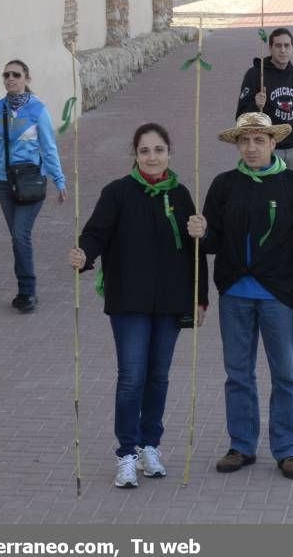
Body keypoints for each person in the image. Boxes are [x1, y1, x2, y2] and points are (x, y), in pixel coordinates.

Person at [68, 123, 208, 489]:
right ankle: (127, 452)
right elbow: (96, 233)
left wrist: (200, 297)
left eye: (158, 150)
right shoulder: (117, 193)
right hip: (129, 299)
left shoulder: (180, 194)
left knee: (158, 377)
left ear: (169, 153)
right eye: (145, 150)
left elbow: (196, 251)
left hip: (170, 300)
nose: (152, 157)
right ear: (135, 154)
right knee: (131, 378)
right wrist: (84, 255)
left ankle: (151, 445)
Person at [187, 112, 293, 480]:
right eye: (244, 141)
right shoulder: (224, 185)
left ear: (273, 143)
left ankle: (288, 449)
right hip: (234, 295)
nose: (251, 147)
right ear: (237, 144)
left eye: (258, 140)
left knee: (285, 374)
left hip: (280, 297)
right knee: (238, 374)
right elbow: (213, 243)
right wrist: (200, 233)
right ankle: (242, 445)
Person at [0, 59, 67, 313]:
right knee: (17, 238)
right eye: (6, 75)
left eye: (16, 74)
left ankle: (28, 291)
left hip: (31, 182)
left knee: (19, 234)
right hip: (4, 183)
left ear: (27, 78)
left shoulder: (38, 111)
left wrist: (59, 180)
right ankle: (23, 290)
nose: (10, 79)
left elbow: (49, 147)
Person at [236, 27, 293, 175]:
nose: (283, 50)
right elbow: (240, 117)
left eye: (287, 45)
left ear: (292, 48)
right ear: (270, 48)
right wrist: (256, 105)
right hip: (268, 150)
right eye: (278, 45)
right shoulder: (255, 74)